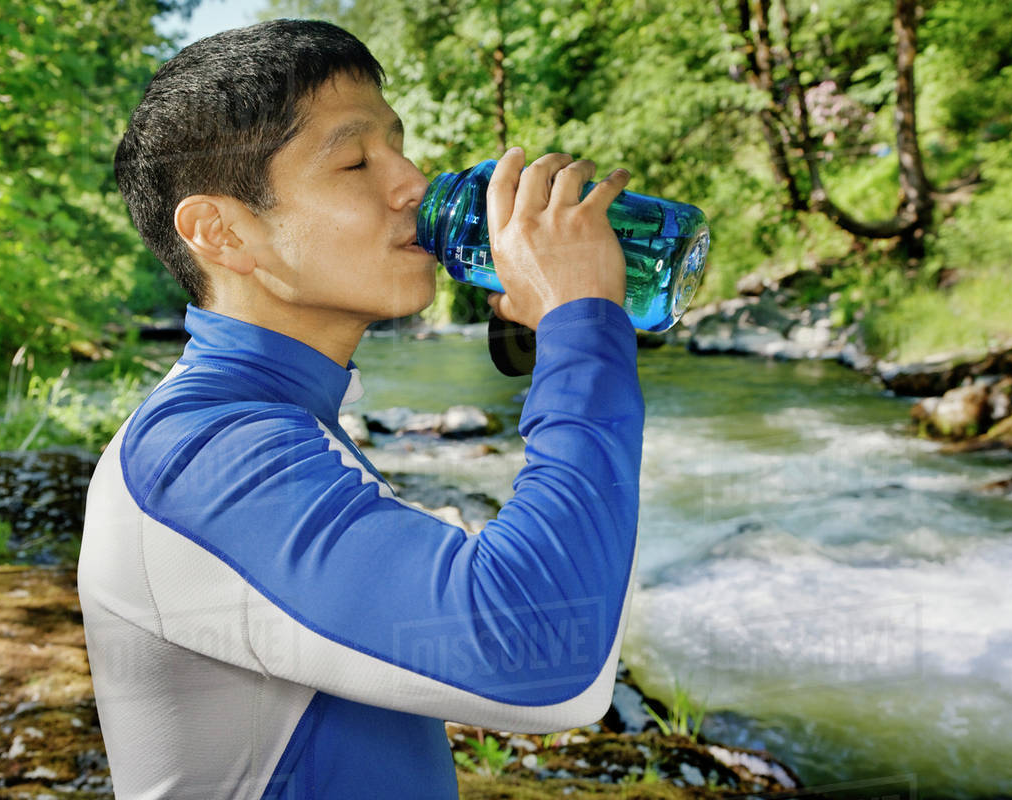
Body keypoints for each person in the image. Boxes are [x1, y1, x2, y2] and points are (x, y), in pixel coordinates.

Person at [77, 18, 644, 799]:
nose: (412, 180)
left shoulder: (276, 418)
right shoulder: (203, 452)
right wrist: (585, 328)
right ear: (223, 232)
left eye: (399, 146)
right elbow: (545, 659)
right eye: (354, 160)